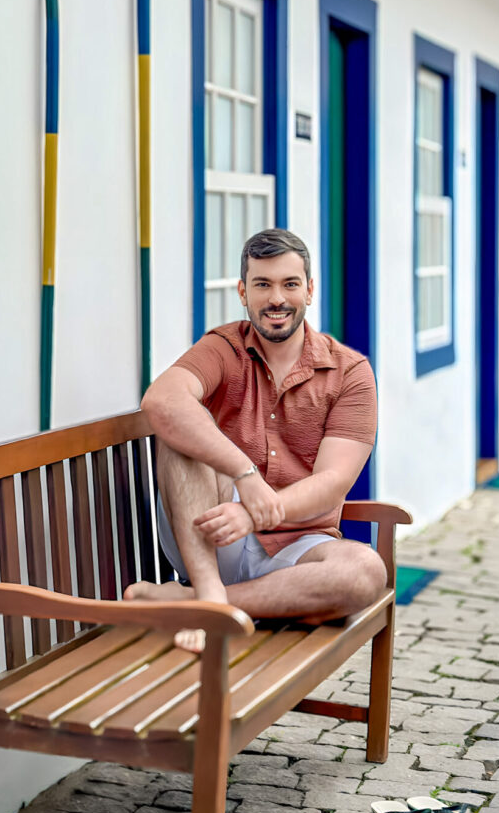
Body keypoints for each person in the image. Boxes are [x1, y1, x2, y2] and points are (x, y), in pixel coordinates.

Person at [125, 228, 386, 652]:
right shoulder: (223, 347)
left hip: (297, 548)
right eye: (263, 285)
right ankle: (209, 593)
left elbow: (333, 482)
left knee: (364, 571)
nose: (276, 298)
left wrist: (260, 513)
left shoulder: (350, 373)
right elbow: (161, 400)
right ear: (244, 292)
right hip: (212, 537)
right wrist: (245, 477)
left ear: (310, 290)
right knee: (180, 431)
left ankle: (199, 604)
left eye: (290, 284)